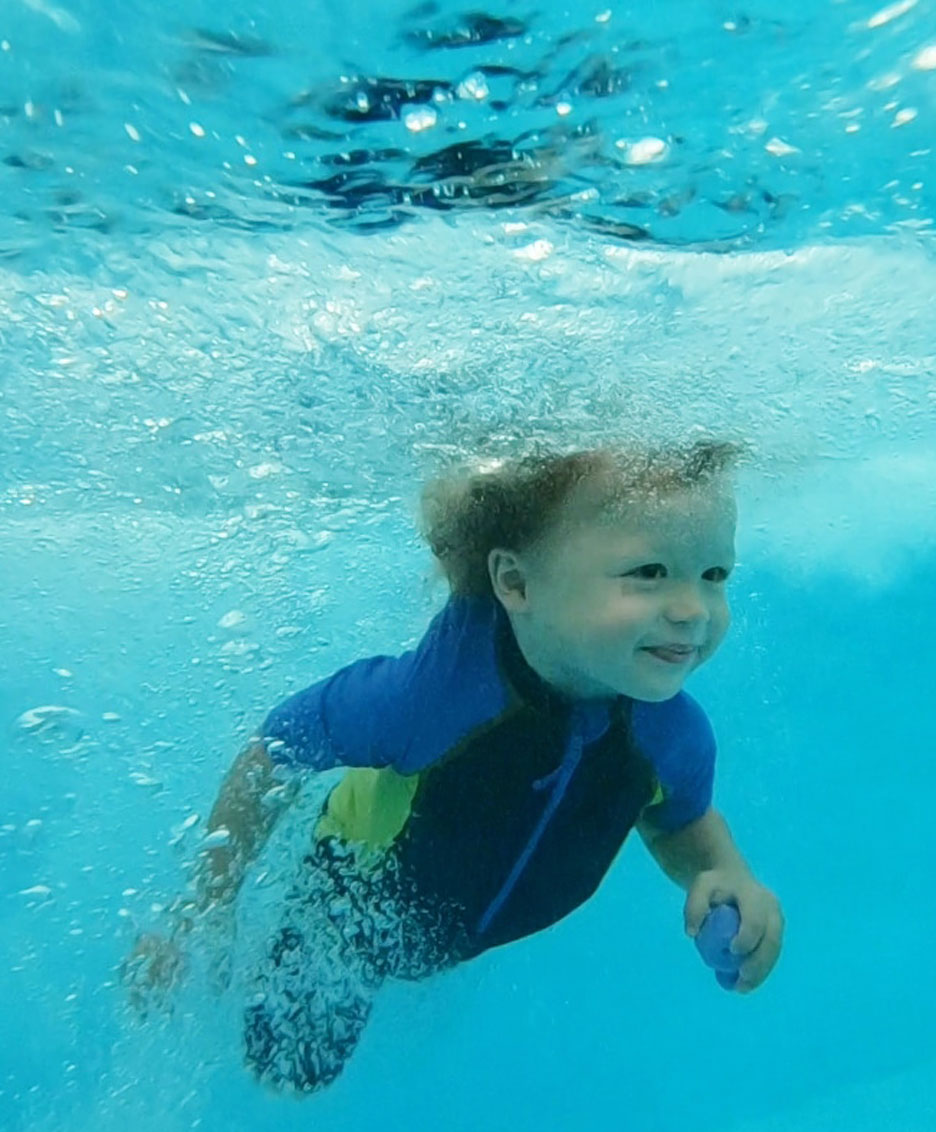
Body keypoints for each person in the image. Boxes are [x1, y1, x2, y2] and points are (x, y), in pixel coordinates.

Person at [124, 440, 783, 1093]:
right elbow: (274, 750)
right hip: (350, 898)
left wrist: (727, 875)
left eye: (714, 575)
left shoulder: (672, 733)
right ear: (516, 582)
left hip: (462, 926)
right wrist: (207, 905)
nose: (693, 610)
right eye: (648, 571)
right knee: (288, 1069)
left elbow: (679, 823)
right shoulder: (433, 697)